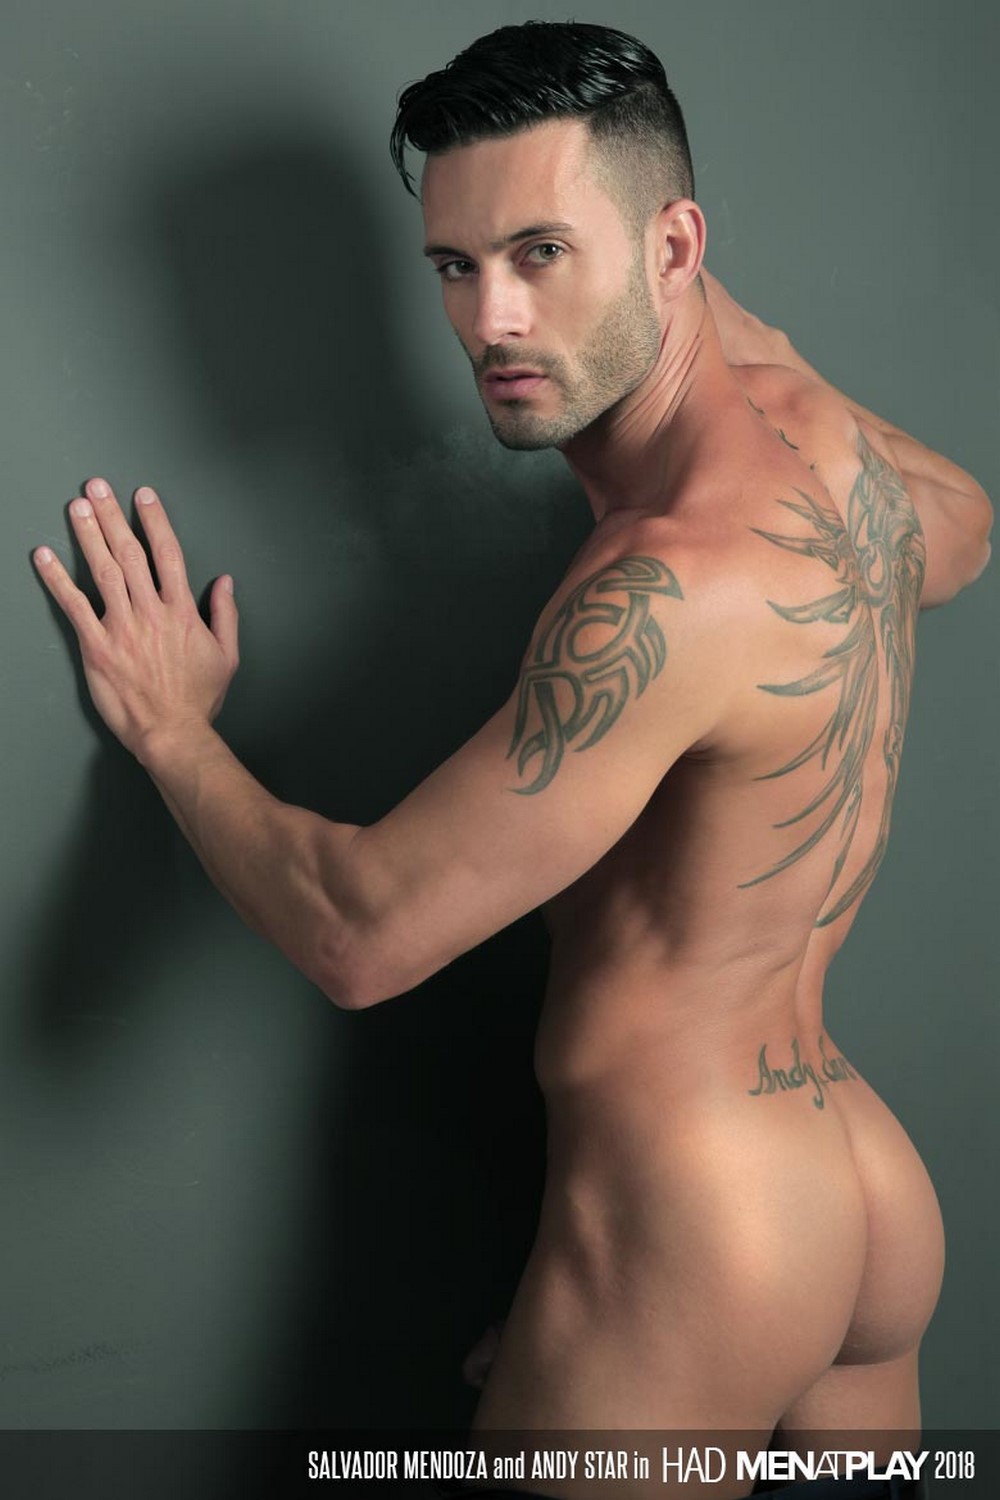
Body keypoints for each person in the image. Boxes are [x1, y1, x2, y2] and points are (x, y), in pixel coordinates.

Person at [32, 20, 990, 1500]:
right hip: (851, 1187)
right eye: (455, 265)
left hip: (694, 1218)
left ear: (674, 244)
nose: (493, 319)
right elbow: (966, 529)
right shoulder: (827, 455)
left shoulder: (663, 587)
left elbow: (361, 933)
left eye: (543, 254)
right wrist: (712, 312)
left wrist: (171, 732)